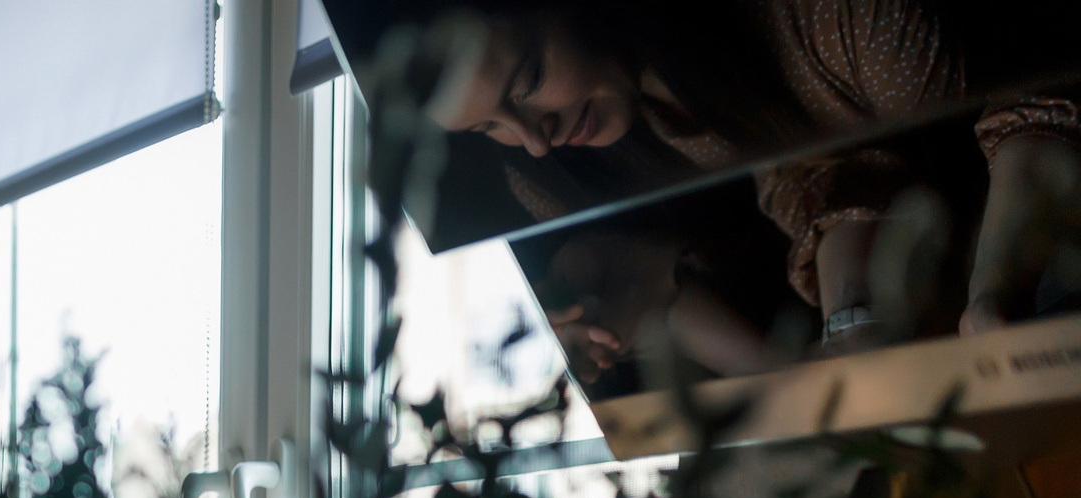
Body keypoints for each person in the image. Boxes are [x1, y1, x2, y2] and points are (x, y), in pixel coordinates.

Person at [424, 1, 1081, 365]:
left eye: (529, 81)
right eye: (489, 128)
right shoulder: (563, 176)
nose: (534, 137)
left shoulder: (833, 24)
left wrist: (995, 289)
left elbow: (1036, 97)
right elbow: (819, 177)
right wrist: (850, 331)